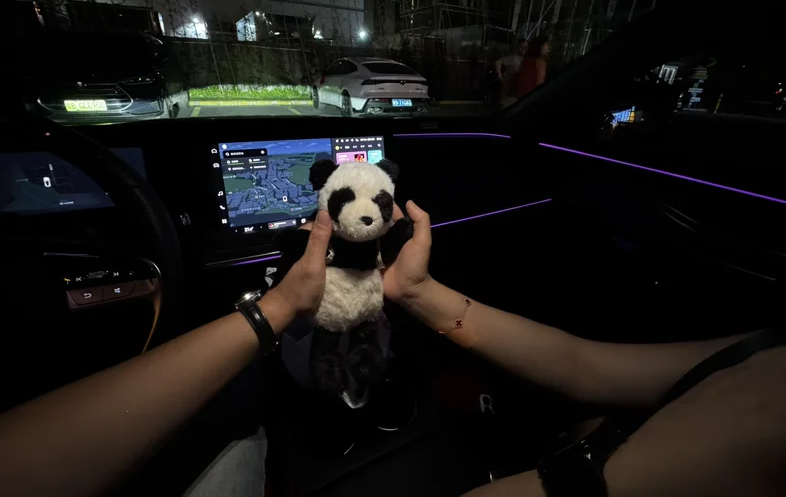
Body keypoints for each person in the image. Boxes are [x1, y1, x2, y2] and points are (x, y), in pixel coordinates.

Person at [1, 203, 785, 497]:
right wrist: (413, 294)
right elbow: (586, 367)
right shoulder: (763, 355)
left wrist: (272, 312)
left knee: (234, 420)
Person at [494, 38, 528, 108]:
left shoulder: (526, 60)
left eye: (526, 47)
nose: (524, 49)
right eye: (522, 46)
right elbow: (497, 63)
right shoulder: (513, 58)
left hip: (517, 92)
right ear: (518, 47)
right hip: (508, 92)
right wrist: (501, 78)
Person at [515, 36, 550, 100]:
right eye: (547, 46)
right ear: (540, 47)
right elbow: (539, 84)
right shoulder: (541, 63)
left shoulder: (525, 61)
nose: (548, 49)